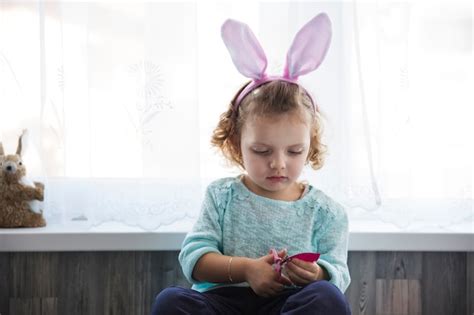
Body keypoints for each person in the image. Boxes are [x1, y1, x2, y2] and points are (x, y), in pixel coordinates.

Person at [152, 13, 351, 315]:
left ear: (311, 146)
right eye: (261, 150)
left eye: (295, 151)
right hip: (222, 304)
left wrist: (318, 273)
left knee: (326, 298)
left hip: (287, 305)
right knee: (170, 302)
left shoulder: (326, 213)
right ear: (235, 143)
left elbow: (337, 273)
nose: (278, 164)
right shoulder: (222, 197)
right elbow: (194, 257)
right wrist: (246, 270)